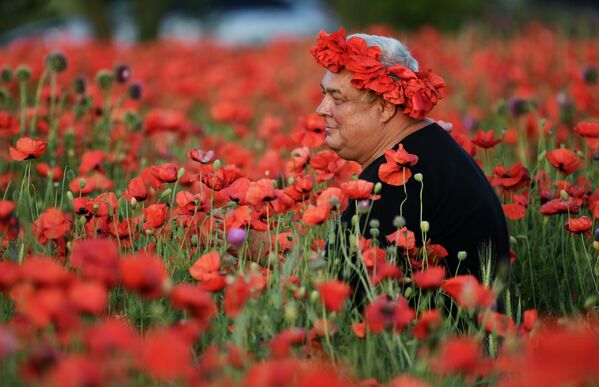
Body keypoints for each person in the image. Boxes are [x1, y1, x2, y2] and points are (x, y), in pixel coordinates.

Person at [312, 28, 510, 307]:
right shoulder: (427, 149)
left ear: (384, 106)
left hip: (441, 344)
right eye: (324, 94)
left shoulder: (401, 180)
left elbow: (343, 290)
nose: (321, 109)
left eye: (337, 98)